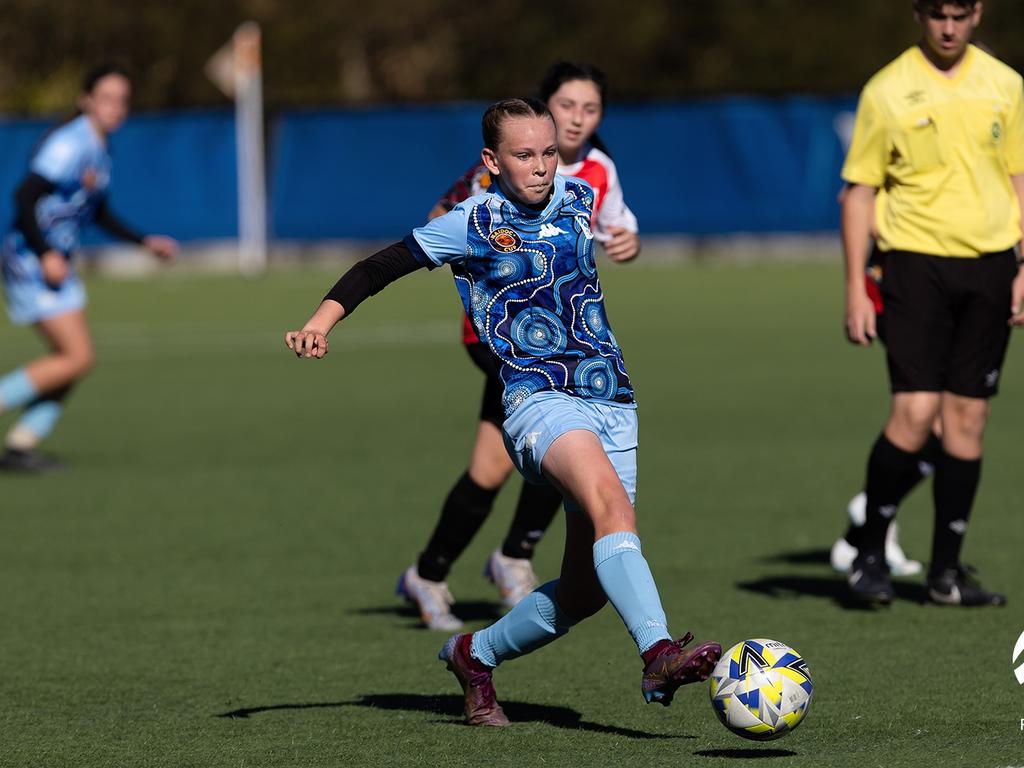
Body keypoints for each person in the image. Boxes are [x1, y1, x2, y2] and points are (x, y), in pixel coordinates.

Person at [285, 98, 719, 725]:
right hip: (536, 399)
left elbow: (615, 226)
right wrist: (319, 323)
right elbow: (379, 266)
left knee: (582, 595)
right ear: (491, 161)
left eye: (547, 152)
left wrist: (630, 237)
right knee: (609, 504)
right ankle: (658, 651)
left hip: (612, 397)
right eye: (524, 154)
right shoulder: (474, 218)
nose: (541, 165)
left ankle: (473, 654)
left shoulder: (577, 196)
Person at [397, 61, 642, 631]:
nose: (577, 119)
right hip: (503, 341)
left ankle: (442, 570)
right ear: (544, 110)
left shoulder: (599, 171)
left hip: (567, 344)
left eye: (590, 109)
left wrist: (627, 242)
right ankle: (504, 559)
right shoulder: (507, 166)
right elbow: (441, 220)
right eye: (566, 107)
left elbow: (616, 227)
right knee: (559, 442)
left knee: (497, 468)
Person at [840, 0, 1024, 605]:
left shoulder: (1006, 85)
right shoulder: (888, 89)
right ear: (919, 15)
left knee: (969, 421)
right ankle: (869, 554)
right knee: (916, 413)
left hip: (993, 267)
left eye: (961, 14)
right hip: (914, 265)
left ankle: (945, 574)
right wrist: (854, 288)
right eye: (938, 14)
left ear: (978, 14)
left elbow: (1020, 178)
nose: (949, 27)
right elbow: (859, 192)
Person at [0, 64, 178, 471]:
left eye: (122, 100)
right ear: (86, 100)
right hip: (32, 260)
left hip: (53, 260)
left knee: (75, 358)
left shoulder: (98, 145)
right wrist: (45, 252)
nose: (116, 107)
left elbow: (95, 210)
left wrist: (143, 242)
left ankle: (21, 445)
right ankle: (20, 442)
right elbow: (24, 197)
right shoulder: (70, 142)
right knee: (77, 357)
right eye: (107, 98)